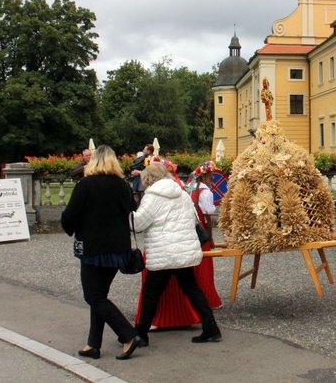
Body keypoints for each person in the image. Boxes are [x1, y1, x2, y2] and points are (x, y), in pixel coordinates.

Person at [61, 145, 142, 360]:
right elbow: (132, 211)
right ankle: (93, 344)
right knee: (99, 295)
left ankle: (128, 334)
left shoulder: (85, 185)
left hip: (93, 248)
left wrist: (70, 225)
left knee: (93, 296)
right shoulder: (123, 186)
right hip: (118, 249)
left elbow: (70, 217)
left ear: (94, 161)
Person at [132, 162, 222, 345]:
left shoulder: (152, 196)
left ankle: (141, 334)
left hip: (163, 251)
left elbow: (138, 224)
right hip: (183, 249)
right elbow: (193, 218)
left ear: (149, 179)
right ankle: (210, 327)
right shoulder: (182, 193)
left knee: (151, 293)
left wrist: (127, 215)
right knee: (192, 289)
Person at [191, 161, 222, 309]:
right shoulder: (206, 193)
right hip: (201, 231)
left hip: (191, 231)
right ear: (204, 177)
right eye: (210, 176)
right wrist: (210, 238)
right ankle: (209, 300)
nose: (212, 179)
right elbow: (208, 218)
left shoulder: (191, 190)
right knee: (205, 266)